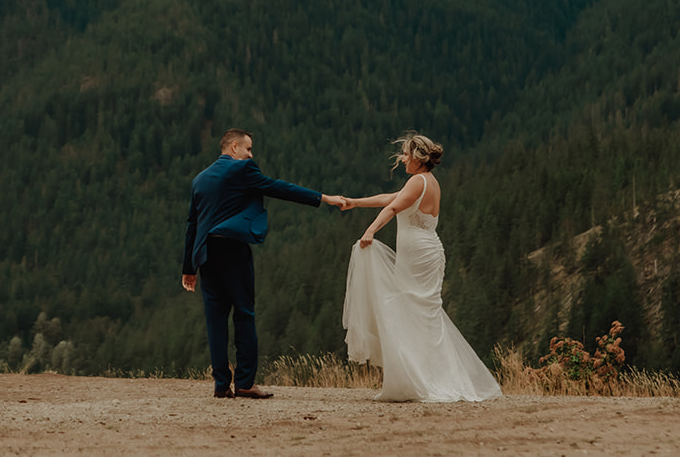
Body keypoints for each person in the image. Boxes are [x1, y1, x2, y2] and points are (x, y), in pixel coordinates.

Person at [182, 128, 345, 398]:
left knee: (215, 320)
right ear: (234, 148)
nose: (251, 154)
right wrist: (323, 197)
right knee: (244, 313)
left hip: (206, 255)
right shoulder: (242, 170)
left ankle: (221, 385)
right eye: (248, 149)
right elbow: (280, 187)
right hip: (233, 251)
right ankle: (245, 383)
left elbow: (192, 225)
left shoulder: (199, 179)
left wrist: (189, 268)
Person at [340, 132, 501, 402]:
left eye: (406, 154)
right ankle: (426, 377)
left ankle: (420, 380)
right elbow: (387, 198)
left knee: (411, 312)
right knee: (423, 316)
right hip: (427, 253)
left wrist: (370, 231)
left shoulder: (417, 181)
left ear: (417, 157)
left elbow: (391, 209)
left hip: (419, 256)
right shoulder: (428, 182)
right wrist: (355, 202)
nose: (402, 159)